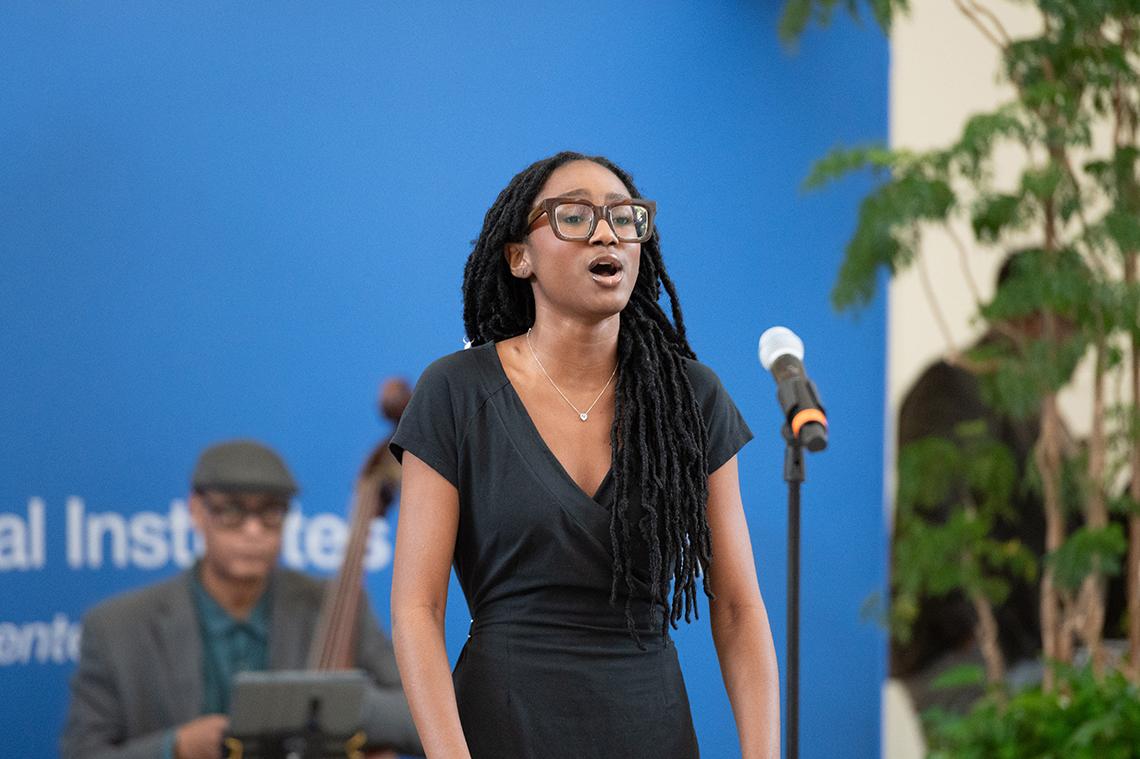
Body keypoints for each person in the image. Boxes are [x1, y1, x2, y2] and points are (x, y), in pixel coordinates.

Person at [389, 152, 780, 758]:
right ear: (520, 257)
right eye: (574, 216)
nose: (607, 232)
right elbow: (418, 608)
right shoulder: (457, 391)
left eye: (626, 218)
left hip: (650, 727)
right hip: (500, 725)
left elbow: (736, 607)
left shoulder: (689, 399)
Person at [61, 439, 423, 759]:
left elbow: (420, 721)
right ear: (196, 511)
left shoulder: (335, 608)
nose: (253, 531)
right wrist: (176, 747)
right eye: (231, 511)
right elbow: (81, 752)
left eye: (271, 512)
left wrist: (328, 705)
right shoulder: (116, 627)